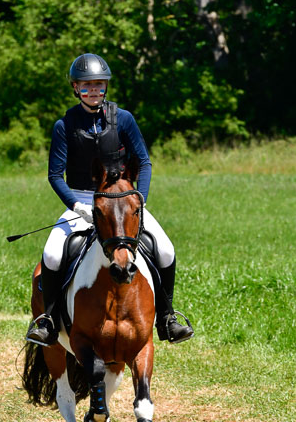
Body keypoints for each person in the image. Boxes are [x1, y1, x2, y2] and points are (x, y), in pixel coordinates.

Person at [27, 52, 194, 346]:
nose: (94, 91)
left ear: (106, 87)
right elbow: (55, 176)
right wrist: (77, 206)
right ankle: (49, 321)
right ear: (75, 88)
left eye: (99, 85)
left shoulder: (124, 119)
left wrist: (139, 199)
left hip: (123, 199)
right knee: (53, 254)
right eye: (86, 85)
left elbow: (144, 162)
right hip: (81, 199)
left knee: (165, 250)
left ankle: (167, 318)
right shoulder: (64, 126)